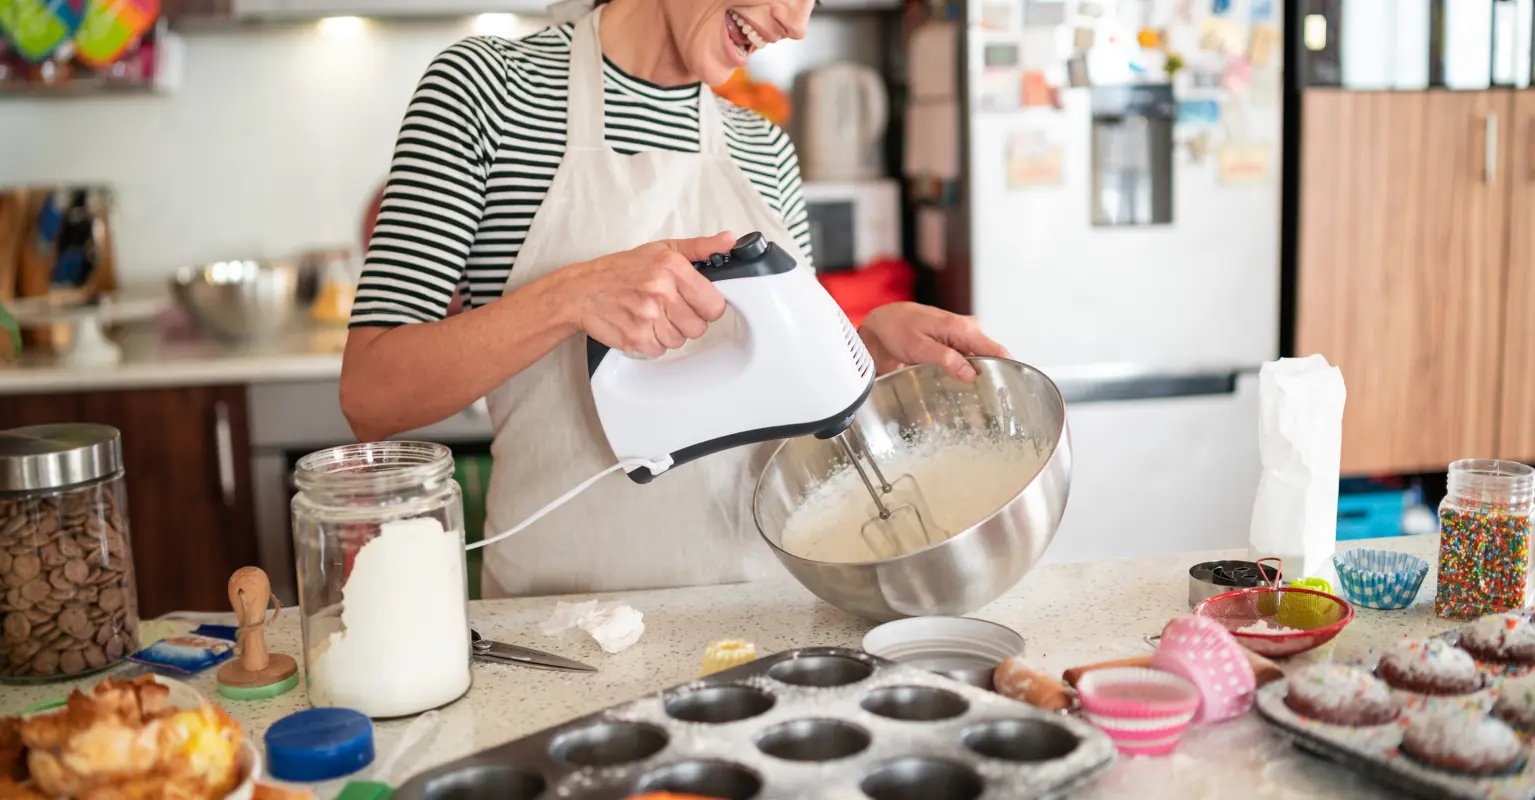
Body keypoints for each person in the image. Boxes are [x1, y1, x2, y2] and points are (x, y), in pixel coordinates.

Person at [340, 0, 1010, 598]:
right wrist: (570, 297)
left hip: (760, 613)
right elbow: (372, 396)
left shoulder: (764, 149)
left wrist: (864, 352)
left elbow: (790, 415)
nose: (796, 22)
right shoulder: (488, 92)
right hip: (558, 626)